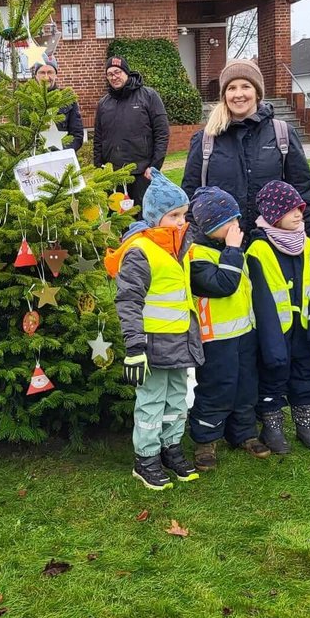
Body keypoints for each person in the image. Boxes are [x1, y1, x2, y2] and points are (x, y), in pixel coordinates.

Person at [106, 172, 203, 490]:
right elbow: (128, 301)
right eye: (173, 215)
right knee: (150, 402)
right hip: (150, 344)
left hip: (180, 342)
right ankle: (145, 458)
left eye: (183, 215)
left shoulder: (181, 247)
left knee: (176, 400)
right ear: (154, 216)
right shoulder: (141, 252)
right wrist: (134, 346)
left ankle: (170, 448)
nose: (180, 221)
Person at [182, 60, 310, 252]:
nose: (238, 94)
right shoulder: (205, 139)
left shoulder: (282, 134)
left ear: (257, 92)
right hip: (219, 251)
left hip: (273, 248)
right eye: (231, 88)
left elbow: (303, 194)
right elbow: (191, 197)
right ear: (224, 94)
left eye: (246, 86)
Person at [186, 187, 268, 471]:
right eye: (227, 222)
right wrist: (233, 250)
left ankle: (244, 433)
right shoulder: (197, 255)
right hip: (216, 338)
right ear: (209, 226)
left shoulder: (230, 248)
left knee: (245, 385)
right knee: (216, 388)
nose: (235, 226)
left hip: (244, 334)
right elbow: (223, 285)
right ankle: (205, 440)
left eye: (236, 219)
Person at [247, 180, 310, 454]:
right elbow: (259, 295)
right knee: (273, 373)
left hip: (304, 325)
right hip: (276, 329)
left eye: (301, 208)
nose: (299, 213)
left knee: (307, 371)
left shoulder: (306, 245)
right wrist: (270, 339)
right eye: (291, 209)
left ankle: (306, 422)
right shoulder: (258, 249)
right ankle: (272, 426)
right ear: (273, 214)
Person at [94, 55, 170, 209]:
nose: (114, 77)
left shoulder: (148, 96)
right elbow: (98, 138)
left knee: (143, 218)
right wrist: (98, 167)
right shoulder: (103, 104)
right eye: (110, 74)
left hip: (142, 173)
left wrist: (154, 166)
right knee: (118, 220)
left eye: (118, 72)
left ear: (126, 73)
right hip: (113, 175)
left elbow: (162, 133)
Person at [33, 55, 85, 152]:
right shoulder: (28, 100)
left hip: (62, 161)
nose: (46, 77)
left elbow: (77, 135)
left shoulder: (68, 99)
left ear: (56, 74)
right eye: (41, 72)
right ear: (36, 75)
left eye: (50, 72)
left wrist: (61, 153)